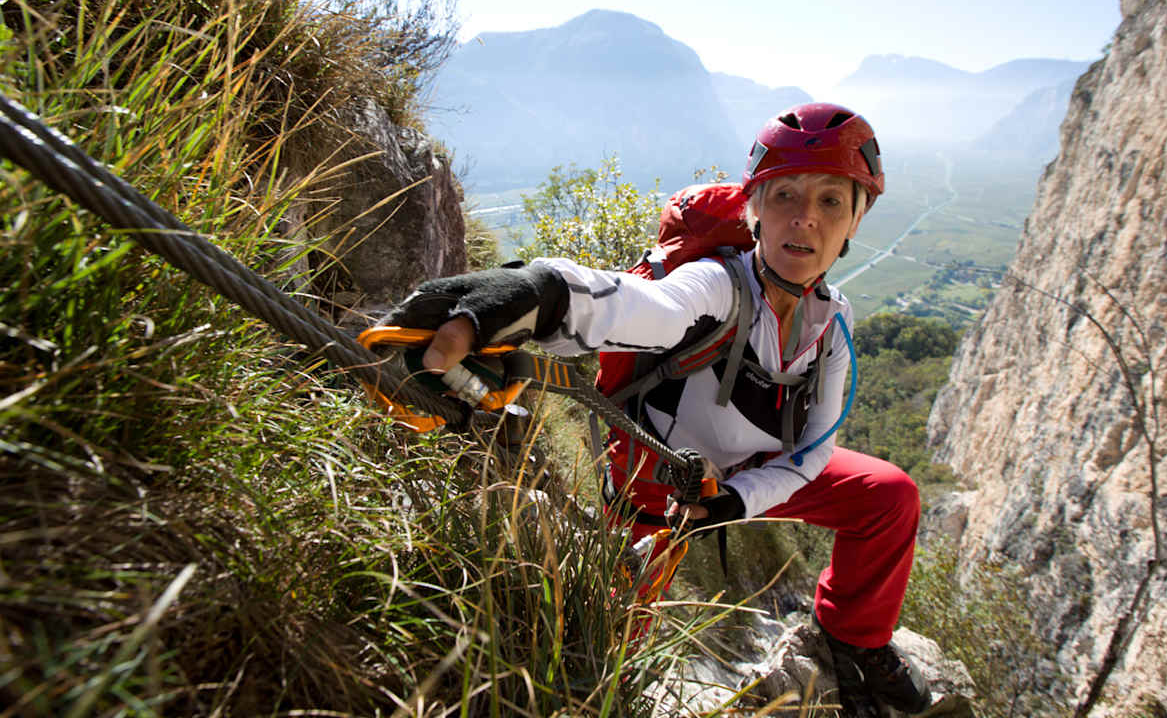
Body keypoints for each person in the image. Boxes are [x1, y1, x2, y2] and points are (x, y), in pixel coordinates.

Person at [387, 103, 932, 715]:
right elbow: (649, 307)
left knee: (888, 497)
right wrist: (542, 292)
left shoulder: (833, 321)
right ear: (753, 210)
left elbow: (813, 454)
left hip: (749, 474)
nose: (805, 219)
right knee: (607, 637)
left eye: (832, 200)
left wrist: (738, 498)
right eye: (784, 196)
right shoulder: (717, 284)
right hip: (660, 484)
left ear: (857, 217)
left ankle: (854, 640)